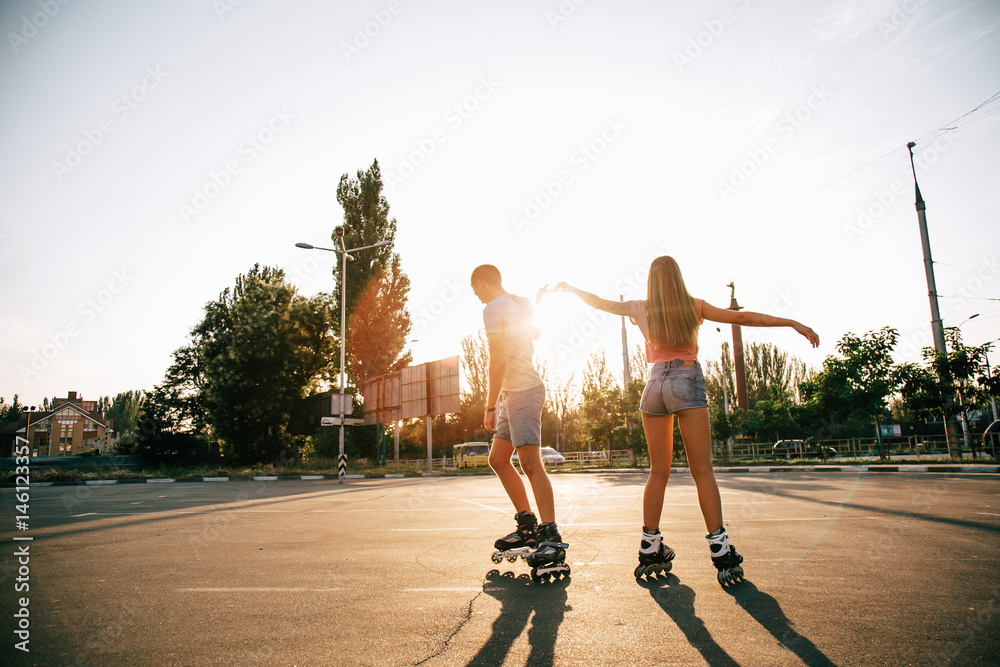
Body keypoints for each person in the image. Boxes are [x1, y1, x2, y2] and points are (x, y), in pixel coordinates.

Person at [557, 256, 819, 585]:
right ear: (678, 278)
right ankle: (721, 551)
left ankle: (650, 547)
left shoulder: (640, 307)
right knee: (702, 471)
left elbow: (601, 303)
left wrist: (570, 289)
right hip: (686, 378)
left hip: (653, 385)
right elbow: (745, 317)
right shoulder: (694, 306)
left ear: (651, 280)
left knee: (658, 471)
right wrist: (792, 322)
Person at [471, 264, 569, 582]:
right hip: (513, 394)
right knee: (498, 459)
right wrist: (538, 303)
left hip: (522, 391)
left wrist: (488, 406)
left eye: (477, 291)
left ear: (484, 283)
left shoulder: (492, 309)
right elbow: (536, 332)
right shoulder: (519, 302)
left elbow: (496, 359)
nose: (478, 298)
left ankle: (550, 534)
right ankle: (527, 524)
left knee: (529, 462)